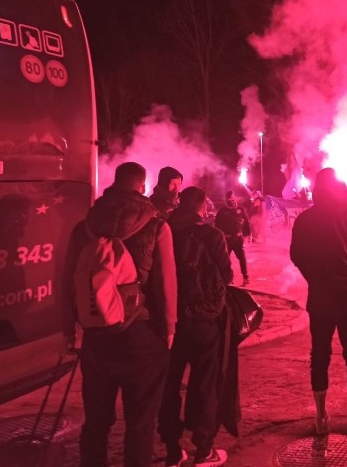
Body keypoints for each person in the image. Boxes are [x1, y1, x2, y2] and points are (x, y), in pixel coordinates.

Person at [63, 162, 177, 467]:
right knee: (140, 424)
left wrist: (70, 330)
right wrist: (168, 330)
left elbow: (67, 281)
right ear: (142, 187)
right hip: (141, 335)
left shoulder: (84, 226)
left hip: (95, 333)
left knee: (96, 421)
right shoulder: (157, 225)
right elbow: (166, 284)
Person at [290, 168, 347, 434]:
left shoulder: (305, 219)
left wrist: (314, 278)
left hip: (321, 296)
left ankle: (320, 417)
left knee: (320, 354)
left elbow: (297, 255)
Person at [159, 187, 233, 467]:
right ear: (202, 207)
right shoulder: (211, 235)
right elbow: (226, 274)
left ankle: (172, 449)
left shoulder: (162, 230)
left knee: (168, 385)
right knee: (204, 384)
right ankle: (204, 449)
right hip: (203, 321)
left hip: (168, 321)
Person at [215, 191, 250, 286]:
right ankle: (229, 279)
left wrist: (248, 234)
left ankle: (245, 277)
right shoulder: (222, 211)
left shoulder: (240, 209)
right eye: (229, 199)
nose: (231, 201)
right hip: (226, 239)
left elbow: (246, 222)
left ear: (235, 198)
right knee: (226, 259)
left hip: (238, 239)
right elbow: (217, 226)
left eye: (232, 198)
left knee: (242, 258)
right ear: (226, 200)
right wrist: (219, 237)